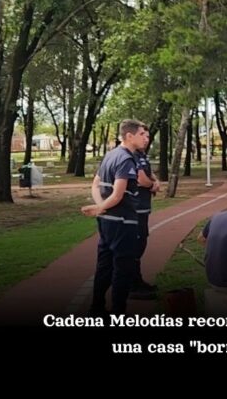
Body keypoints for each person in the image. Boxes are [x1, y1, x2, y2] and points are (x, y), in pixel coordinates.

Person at [81, 119, 149, 315]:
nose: (145, 139)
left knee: (104, 266)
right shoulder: (126, 159)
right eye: (141, 134)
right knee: (123, 268)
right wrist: (100, 207)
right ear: (129, 136)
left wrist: (100, 208)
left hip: (107, 222)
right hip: (123, 221)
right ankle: (118, 311)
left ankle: (96, 307)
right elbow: (118, 194)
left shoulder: (109, 156)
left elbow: (95, 185)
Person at [129, 127, 161, 300]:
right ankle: (133, 285)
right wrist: (152, 185)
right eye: (143, 135)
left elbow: (148, 174)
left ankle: (137, 280)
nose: (146, 139)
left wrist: (154, 181)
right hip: (136, 208)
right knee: (136, 245)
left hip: (143, 207)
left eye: (148, 136)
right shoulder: (131, 155)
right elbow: (141, 179)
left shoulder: (141, 154)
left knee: (141, 243)